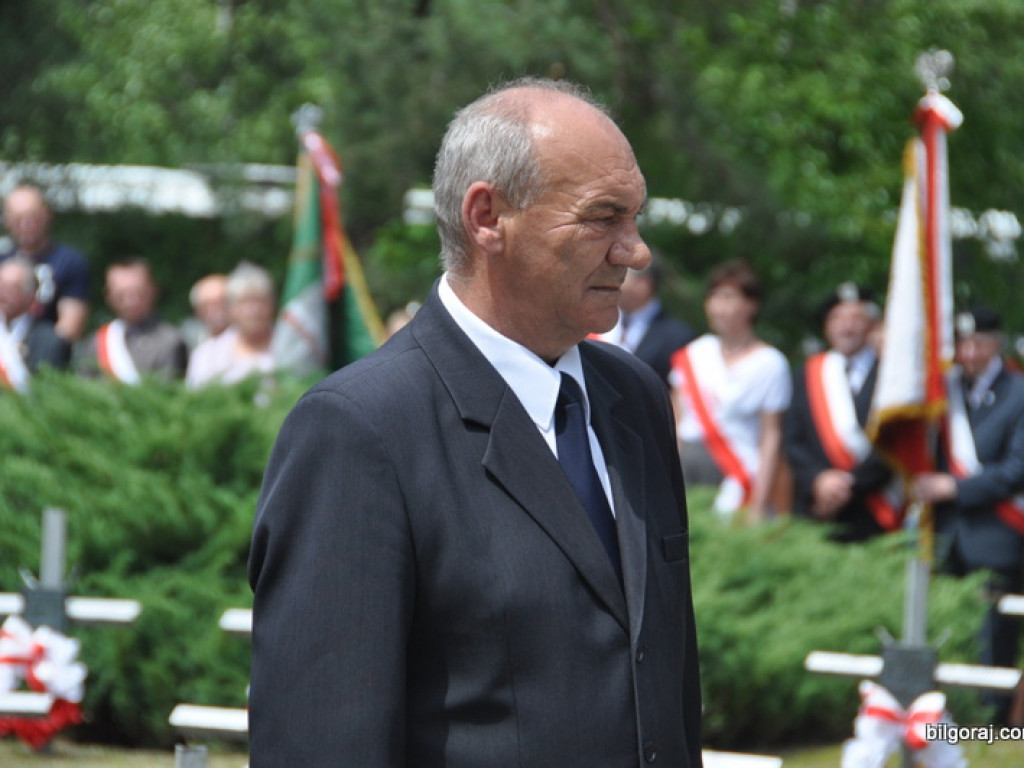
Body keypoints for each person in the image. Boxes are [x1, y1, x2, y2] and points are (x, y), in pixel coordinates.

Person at [248, 78, 702, 767]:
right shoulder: (359, 431)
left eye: (635, 218)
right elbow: (323, 744)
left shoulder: (632, 397)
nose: (635, 251)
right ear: (487, 217)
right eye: (603, 217)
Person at [912, 306, 1024, 723]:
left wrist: (954, 487)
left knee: (993, 637)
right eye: (962, 343)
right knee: (951, 631)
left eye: (978, 342)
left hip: (997, 533)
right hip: (948, 535)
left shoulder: (1018, 391)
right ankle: (947, 717)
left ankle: (992, 723)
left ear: (997, 342)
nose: (970, 352)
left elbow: (1017, 469)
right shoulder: (944, 392)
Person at [669, 259, 790, 521]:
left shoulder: (770, 363)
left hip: (737, 473)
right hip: (687, 468)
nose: (718, 307)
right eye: (713, 297)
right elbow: (676, 421)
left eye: (728, 297)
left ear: (752, 304)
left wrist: (759, 502)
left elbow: (771, 436)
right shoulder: (694, 353)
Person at [783, 282, 899, 541]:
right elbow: (792, 438)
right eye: (837, 318)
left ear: (872, 324)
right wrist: (818, 480)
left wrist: (848, 486)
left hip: (874, 508)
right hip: (818, 509)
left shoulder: (891, 374)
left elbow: (897, 440)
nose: (846, 327)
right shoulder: (808, 373)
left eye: (856, 318)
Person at [1, 185, 91, 342]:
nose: (26, 224)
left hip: (46, 356)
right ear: (7, 220)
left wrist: (44, 351)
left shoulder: (70, 262)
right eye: (18, 218)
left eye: (32, 216)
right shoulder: (2, 260)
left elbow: (70, 327)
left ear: (47, 214)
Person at [75, 258, 187, 382]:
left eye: (138, 292)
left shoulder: (170, 341)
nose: (130, 301)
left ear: (153, 291)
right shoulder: (96, 342)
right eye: (121, 294)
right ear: (109, 296)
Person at [598, 250, 696, 385]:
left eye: (621, 276)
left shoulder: (678, 338)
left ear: (643, 285)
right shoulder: (594, 325)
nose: (610, 281)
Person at [186, 262, 276, 388]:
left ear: (271, 305)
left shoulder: (289, 349)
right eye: (245, 301)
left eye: (260, 300)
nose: (254, 310)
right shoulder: (207, 355)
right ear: (230, 308)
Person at [0, 255, 71, 391]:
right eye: (0, 285)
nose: (3, 294)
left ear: (30, 294)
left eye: (12, 288)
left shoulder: (49, 340)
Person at [180, 273, 230, 352]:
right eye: (208, 304)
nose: (215, 310)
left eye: (221, 302)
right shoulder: (188, 340)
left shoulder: (250, 340)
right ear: (197, 310)